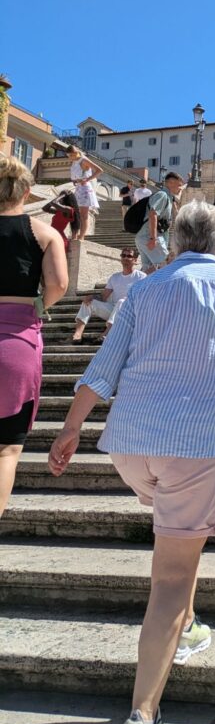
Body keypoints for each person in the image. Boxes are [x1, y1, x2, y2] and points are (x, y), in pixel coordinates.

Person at [47, 199, 215, 724]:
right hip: (194, 446)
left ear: (175, 242)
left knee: (182, 540)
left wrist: (68, 429)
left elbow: (104, 366)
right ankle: (143, 719)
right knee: (172, 575)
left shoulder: (147, 288)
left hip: (131, 445)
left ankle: (191, 622)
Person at [0, 155, 68, 517]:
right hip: (17, 339)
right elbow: (58, 284)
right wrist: (39, 303)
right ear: (27, 193)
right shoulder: (43, 233)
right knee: (6, 448)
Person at [72, 248, 146, 343]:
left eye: (129, 256)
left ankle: (106, 334)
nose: (125, 258)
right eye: (123, 255)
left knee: (122, 301)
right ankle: (78, 334)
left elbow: (143, 297)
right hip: (113, 310)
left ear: (135, 260)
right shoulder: (115, 277)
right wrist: (92, 297)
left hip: (131, 312)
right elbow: (103, 297)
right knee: (89, 302)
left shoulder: (141, 277)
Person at [135, 172, 184, 273]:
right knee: (167, 266)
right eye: (179, 185)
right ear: (170, 183)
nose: (180, 189)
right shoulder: (162, 195)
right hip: (151, 237)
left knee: (148, 270)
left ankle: (137, 287)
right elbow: (153, 214)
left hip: (144, 237)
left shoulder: (168, 198)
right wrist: (153, 238)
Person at [66, 145, 102, 239]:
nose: (70, 157)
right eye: (69, 155)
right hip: (78, 188)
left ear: (75, 153)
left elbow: (99, 170)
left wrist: (87, 179)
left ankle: (81, 236)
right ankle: (75, 235)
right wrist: (75, 181)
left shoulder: (83, 160)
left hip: (85, 188)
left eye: (71, 155)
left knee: (83, 215)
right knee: (75, 214)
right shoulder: (74, 161)